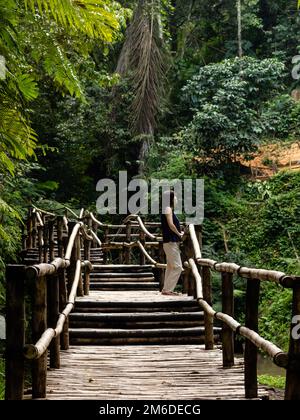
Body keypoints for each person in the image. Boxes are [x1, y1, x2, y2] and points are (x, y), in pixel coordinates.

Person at [160, 191, 184, 296]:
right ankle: (168, 290)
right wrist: (179, 234)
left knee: (170, 266)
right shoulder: (168, 209)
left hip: (169, 241)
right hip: (170, 241)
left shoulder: (168, 209)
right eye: (175, 197)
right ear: (171, 199)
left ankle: (166, 289)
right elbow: (171, 224)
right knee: (178, 267)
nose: (176, 199)